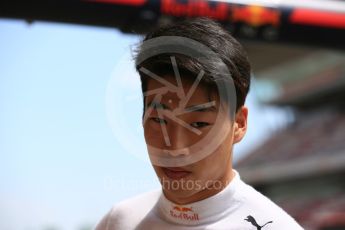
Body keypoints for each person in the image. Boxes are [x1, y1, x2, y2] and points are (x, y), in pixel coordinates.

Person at [96, 17, 303, 230]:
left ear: (239, 124)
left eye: (199, 124)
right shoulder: (119, 221)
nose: (176, 148)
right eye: (159, 120)